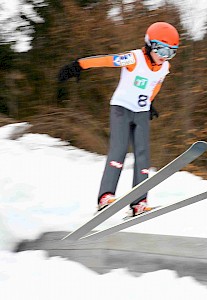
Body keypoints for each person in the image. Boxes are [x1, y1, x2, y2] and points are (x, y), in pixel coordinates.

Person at [58, 22, 179, 215]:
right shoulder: (133, 58)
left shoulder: (165, 68)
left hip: (141, 111)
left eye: (171, 53)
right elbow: (107, 60)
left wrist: (150, 102)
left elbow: (155, 85)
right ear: (150, 46)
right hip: (121, 109)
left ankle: (139, 202)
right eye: (162, 50)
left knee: (143, 156)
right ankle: (105, 196)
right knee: (119, 150)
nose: (165, 57)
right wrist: (79, 65)